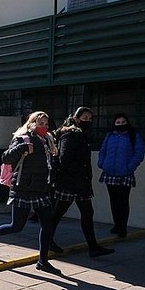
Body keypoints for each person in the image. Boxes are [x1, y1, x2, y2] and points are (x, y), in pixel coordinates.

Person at [0, 111, 62, 274]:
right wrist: (22, 148)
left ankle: (43, 261)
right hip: (23, 188)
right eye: (40, 123)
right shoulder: (23, 138)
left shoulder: (47, 139)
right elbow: (6, 157)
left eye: (46, 124)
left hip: (41, 189)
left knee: (47, 223)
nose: (44, 127)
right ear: (31, 124)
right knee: (16, 226)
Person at [49, 107, 115, 258]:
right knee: (60, 212)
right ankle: (47, 240)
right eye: (85, 118)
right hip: (71, 182)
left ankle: (93, 247)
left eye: (90, 119)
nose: (88, 121)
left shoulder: (79, 134)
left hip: (78, 182)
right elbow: (64, 158)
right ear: (76, 118)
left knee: (83, 212)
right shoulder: (71, 134)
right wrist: (79, 173)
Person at [98, 113, 145, 238]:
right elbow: (103, 150)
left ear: (127, 122)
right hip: (109, 172)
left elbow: (139, 153)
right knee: (113, 201)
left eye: (123, 122)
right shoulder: (109, 135)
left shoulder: (133, 136)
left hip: (125, 173)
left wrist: (130, 167)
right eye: (118, 122)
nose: (120, 124)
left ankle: (123, 227)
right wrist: (102, 163)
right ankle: (116, 225)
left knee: (123, 201)